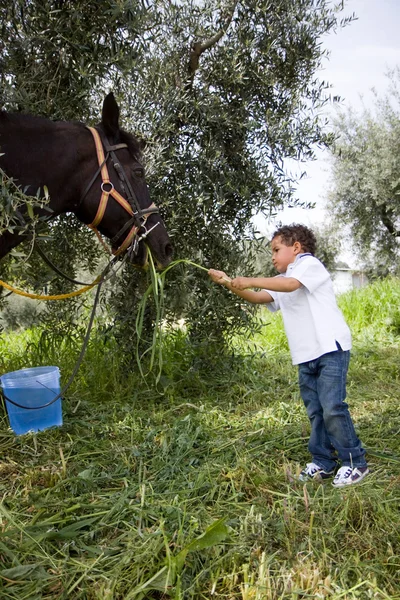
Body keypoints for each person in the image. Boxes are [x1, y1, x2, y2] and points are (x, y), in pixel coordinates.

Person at [208, 224, 369, 488]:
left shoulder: (309, 265)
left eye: (276, 249)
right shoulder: (282, 280)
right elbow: (257, 297)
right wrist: (228, 282)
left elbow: (291, 284)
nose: (272, 256)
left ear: (296, 247)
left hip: (330, 348)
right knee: (316, 411)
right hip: (306, 355)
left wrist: (250, 278)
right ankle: (324, 463)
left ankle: (354, 462)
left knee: (332, 407)